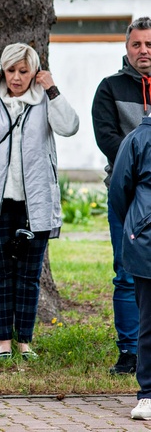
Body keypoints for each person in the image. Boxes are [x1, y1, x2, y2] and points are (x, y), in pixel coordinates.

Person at [0, 43, 79, 360]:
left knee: (29, 277)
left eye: (24, 71)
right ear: (2, 70)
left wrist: (54, 90)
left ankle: (25, 342)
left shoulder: (44, 101)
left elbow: (69, 126)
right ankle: (3, 343)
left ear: (35, 72)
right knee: (0, 274)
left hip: (36, 202)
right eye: (11, 71)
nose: (17, 78)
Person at [92, 17, 151, 375]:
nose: (144, 51)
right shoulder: (109, 87)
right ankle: (129, 352)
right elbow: (107, 138)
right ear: (126, 49)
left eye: (149, 44)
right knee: (127, 273)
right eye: (137, 45)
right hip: (127, 195)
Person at [109, 112, 151, 420]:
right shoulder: (136, 139)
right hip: (147, 242)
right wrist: (139, 226)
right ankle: (148, 394)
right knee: (148, 321)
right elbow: (119, 192)